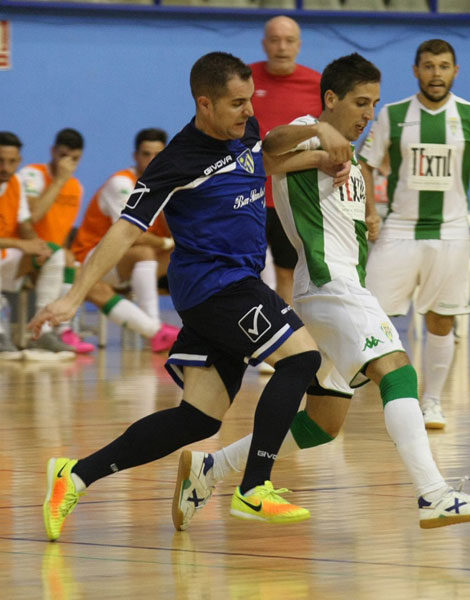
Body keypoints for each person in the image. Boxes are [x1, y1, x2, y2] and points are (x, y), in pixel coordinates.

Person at [172, 53, 470, 533]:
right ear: (330, 99)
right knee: (398, 371)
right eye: (359, 103)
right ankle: (435, 494)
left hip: (329, 292)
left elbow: (341, 175)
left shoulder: (342, 153)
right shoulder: (304, 131)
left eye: (373, 104)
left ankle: (212, 468)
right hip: (333, 286)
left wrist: (367, 207)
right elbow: (268, 148)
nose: (367, 114)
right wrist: (320, 135)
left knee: (323, 423)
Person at [30, 51, 356, 542]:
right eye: (236, 103)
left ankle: (74, 475)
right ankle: (254, 487)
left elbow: (260, 160)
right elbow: (122, 232)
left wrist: (318, 157)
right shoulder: (176, 162)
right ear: (205, 104)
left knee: (197, 419)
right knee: (300, 359)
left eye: (249, 101)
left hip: (229, 285)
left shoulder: (241, 127)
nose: (248, 111)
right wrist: (73, 299)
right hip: (217, 286)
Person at [358, 39, 470, 429]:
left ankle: (431, 402)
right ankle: (342, 387)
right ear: (416, 70)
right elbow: (363, 164)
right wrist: (369, 212)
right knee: (366, 314)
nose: (436, 73)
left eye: (444, 66)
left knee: (440, 320)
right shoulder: (393, 115)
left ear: (455, 72)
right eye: (429, 66)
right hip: (399, 228)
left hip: (451, 232)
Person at [71, 128, 179, 352]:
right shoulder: (121, 184)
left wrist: (169, 199)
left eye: (157, 155)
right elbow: (130, 236)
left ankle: (198, 326)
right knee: (145, 252)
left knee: (191, 249)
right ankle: (155, 329)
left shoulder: (165, 184)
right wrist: (165, 244)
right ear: (135, 156)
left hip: (131, 262)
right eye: (146, 154)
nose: (151, 160)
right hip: (93, 257)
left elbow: (174, 233)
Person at [253, 15, 321, 307]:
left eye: (289, 40)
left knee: (287, 272)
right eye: (275, 39)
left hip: (292, 195)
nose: (281, 47)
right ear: (264, 43)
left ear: (299, 45)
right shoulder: (243, 79)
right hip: (248, 192)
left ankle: (286, 344)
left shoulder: (317, 84)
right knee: (242, 272)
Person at [0, 132, 73, 359]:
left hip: (8, 258)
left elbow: (25, 223)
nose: (5, 167)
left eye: (11, 161)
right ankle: (1, 335)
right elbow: (21, 240)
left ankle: (42, 331)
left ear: (19, 161)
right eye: (0, 160)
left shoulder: (16, 183)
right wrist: (23, 244)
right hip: (7, 253)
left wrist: (36, 244)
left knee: (55, 254)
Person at [19, 128, 90, 353]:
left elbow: (62, 231)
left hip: (52, 254)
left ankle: (64, 330)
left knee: (72, 262)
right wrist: (58, 181)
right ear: (52, 151)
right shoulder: (32, 175)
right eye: (63, 156)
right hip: (23, 250)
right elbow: (33, 217)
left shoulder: (77, 188)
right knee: (60, 256)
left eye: (75, 159)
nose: (67, 164)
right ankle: (42, 331)